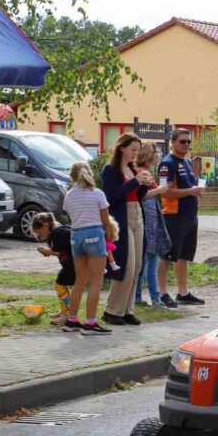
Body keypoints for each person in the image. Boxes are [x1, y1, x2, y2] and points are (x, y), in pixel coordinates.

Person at [100, 133, 152, 326]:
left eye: (137, 150)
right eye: (133, 149)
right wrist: (136, 181)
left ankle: (127, 310)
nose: (135, 154)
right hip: (121, 217)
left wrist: (144, 184)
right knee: (126, 265)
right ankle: (112, 310)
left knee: (137, 265)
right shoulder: (110, 170)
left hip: (137, 215)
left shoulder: (133, 169)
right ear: (122, 147)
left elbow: (138, 195)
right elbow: (112, 195)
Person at [62, 161, 112, 335]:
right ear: (90, 174)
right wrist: (109, 236)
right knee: (96, 281)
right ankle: (90, 322)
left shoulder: (69, 195)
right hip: (95, 235)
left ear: (72, 177)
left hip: (76, 236)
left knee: (80, 281)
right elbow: (105, 220)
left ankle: (72, 320)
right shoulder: (97, 193)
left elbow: (70, 214)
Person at [157, 129, 205, 308]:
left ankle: (183, 293)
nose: (186, 145)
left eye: (188, 142)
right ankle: (162, 293)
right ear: (173, 142)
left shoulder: (187, 162)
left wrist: (196, 192)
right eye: (182, 141)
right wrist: (190, 191)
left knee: (184, 255)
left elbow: (189, 186)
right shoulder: (167, 164)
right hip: (173, 216)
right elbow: (165, 192)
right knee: (167, 255)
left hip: (189, 215)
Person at [134, 144, 170, 308]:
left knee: (143, 262)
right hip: (149, 222)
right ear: (149, 154)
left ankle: (137, 297)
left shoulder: (141, 171)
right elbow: (143, 195)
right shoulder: (143, 173)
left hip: (149, 219)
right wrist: (159, 190)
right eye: (157, 153)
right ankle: (155, 298)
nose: (159, 156)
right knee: (151, 260)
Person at [32, 212, 75, 325]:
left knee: (60, 285)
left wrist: (46, 251)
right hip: (72, 263)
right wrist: (47, 251)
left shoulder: (57, 232)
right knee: (61, 285)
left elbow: (58, 252)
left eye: (40, 233)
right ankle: (66, 311)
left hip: (73, 264)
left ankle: (67, 314)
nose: (40, 236)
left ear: (46, 225)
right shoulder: (59, 231)